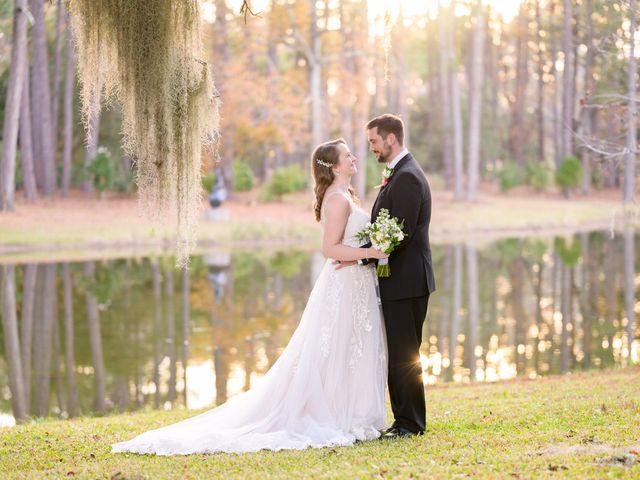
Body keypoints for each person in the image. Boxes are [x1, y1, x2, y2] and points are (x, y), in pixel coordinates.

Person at [111, 138, 389, 455]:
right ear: (334, 166)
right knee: (337, 347)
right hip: (344, 284)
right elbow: (329, 250)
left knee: (345, 348)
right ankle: (339, 415)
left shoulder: (343, 195)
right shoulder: (338, 199)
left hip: (352, 281)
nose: (354, 158)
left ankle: (351, 412)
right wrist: (371, 252)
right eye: (347, 155)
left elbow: (343, 246)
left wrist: (364, 254)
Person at [343, 114, 435, 438]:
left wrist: (360, 256)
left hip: (408, 282)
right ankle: (404, 421)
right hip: (399, 280)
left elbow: (401, 233)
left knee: (405, 354)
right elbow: (390, 229)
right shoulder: (398, 174)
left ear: (391, 139)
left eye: (373, 141)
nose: (371, 148)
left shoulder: (408, 177)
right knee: (400, 352)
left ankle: (410, 423)